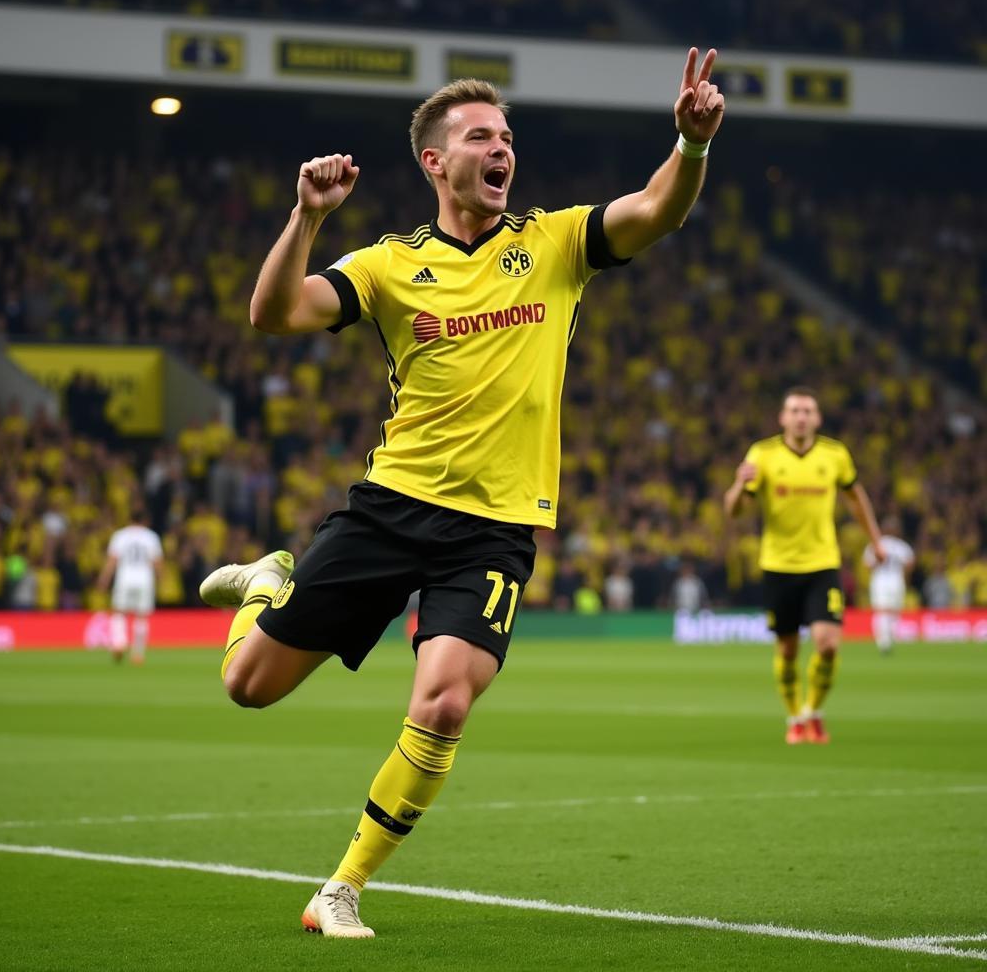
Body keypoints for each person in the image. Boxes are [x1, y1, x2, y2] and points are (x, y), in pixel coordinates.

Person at [199, 47, 725, 937]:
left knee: (444, 700)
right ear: (436, 162)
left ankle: (342, 888)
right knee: (249, 686)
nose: (502, 147)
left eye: (507, 135)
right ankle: (264, 583)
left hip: (496, 528)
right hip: (392, 506)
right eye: (481, 135)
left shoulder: (553, 244)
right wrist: (306, 217)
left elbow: (653, 212)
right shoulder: (388, 264)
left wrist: (691, 149)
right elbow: (273, 313)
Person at [724, 387, 885, 745]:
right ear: (782, 418)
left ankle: (812, 711)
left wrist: (876, 540)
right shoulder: (762, 455)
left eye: (807, 411)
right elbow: (733, 510)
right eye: (794, 410)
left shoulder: (835, 455)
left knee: (828, 644)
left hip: (823, 563)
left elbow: (856, 497)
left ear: (817, 418)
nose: (801, 417)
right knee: (787, 650)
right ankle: (795, 716)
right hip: (778, 565)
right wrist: (738, 485)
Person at [96, 506, 163, 664]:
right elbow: (157, 562)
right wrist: (161, 580)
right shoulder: (151, 537)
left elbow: (112, 561)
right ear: (145, 521)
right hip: (144, 579)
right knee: (141, 616)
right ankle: (138, 653)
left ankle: (119, 643)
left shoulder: (120, 536)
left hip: (124, 578)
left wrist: (104, 579)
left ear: (129, 519)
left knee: (119, 612)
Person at [863, 515, 915, 654]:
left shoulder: (876, 544)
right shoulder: (902, 546)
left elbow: (867, 565)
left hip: (880, 580)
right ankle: (887, 639)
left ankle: (883, 641)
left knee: (882, 610)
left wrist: (877, 563)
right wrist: (904, 576)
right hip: (896, 580)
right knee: (892, 611)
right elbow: (910, 564)